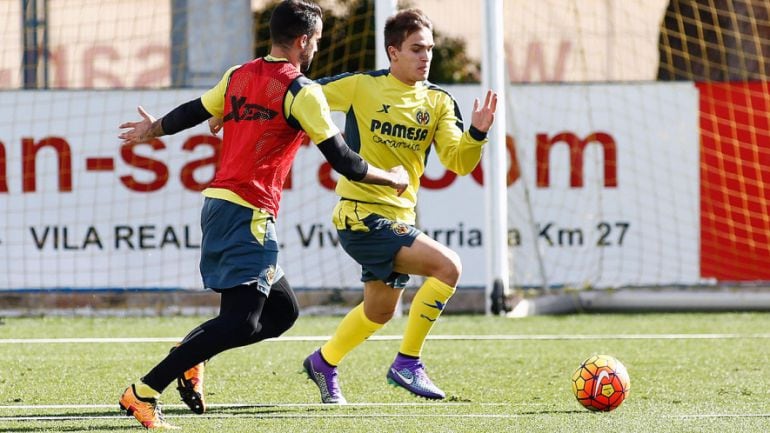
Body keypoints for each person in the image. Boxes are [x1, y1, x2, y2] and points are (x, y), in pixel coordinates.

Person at [116, 0, 408, 429]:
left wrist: (154, 128)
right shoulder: (300, 90)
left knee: (281, 313)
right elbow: (344, 161)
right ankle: (142, 393)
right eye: (318, 42)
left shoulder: (240, 75)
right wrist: (393, 178)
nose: (317, 50)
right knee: (241, 320)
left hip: (226, 207)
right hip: (246, 210)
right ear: (304, 40)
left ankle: (191, 355)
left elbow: (197, 110)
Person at [302, 8, 498, 404]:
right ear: (393, 52)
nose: (426, 56)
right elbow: (299, 96)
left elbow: (459, 162)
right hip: (359, 215)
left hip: (398, 217)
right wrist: (232, 112)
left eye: (428, 48)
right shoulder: (361, 86)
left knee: (379, 312)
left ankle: (323, 362)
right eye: (416, 49)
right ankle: (408, 362)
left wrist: (477, 132)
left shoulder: (439, 102)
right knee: (448, 266)